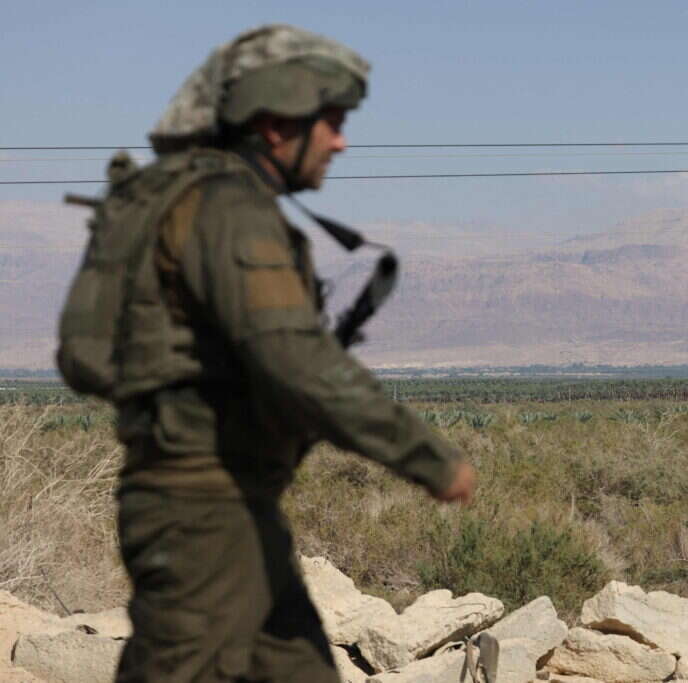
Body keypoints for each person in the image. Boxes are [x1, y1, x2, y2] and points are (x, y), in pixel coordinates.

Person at [66, 24, 476, 682]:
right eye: (332, 121)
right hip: (200, 518)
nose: (341, 140)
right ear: (278, 124)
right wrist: (430, 457)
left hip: (236, 509)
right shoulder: (229, 212)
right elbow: (297, 359)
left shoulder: (213, 201)